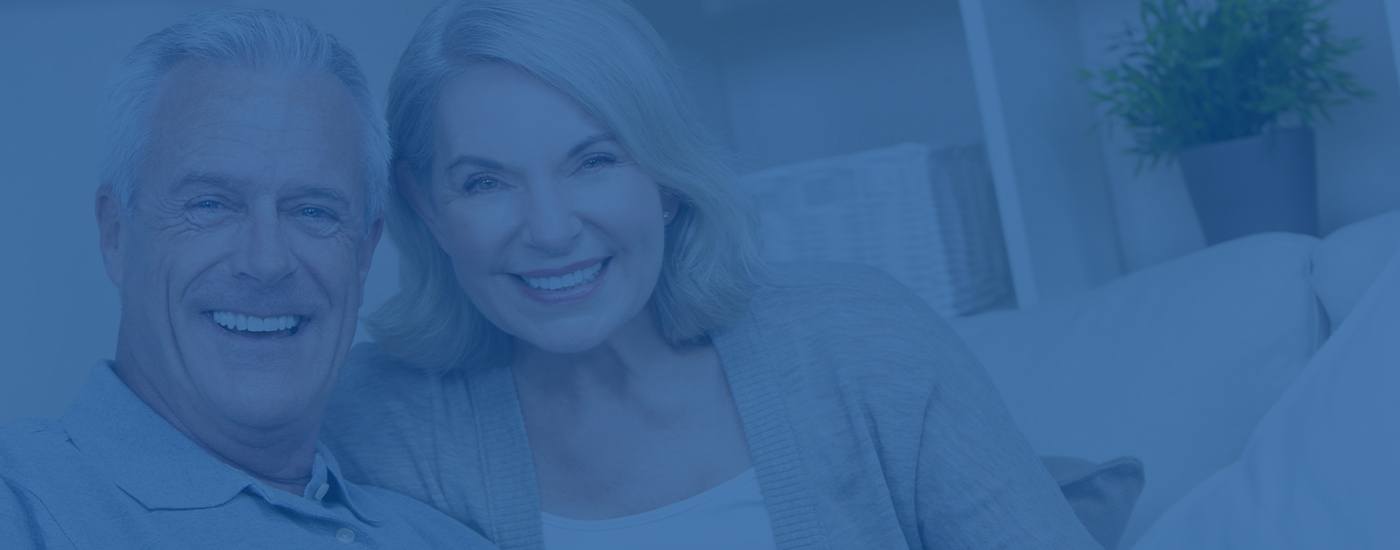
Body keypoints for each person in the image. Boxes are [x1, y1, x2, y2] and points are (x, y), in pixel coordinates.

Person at [322, 0, 1101, 548]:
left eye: (594, 161)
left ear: (665, 178)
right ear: (426, 208)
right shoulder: (380, 424)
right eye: (485, 183)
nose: (552, 229)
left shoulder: (863, 339)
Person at [0, 9, 496, 549]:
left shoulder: (446, 539)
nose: (266, 261)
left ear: (363, 251)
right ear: (116, 234)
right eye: (211, 204)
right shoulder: (25, 506)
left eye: (312, 211)